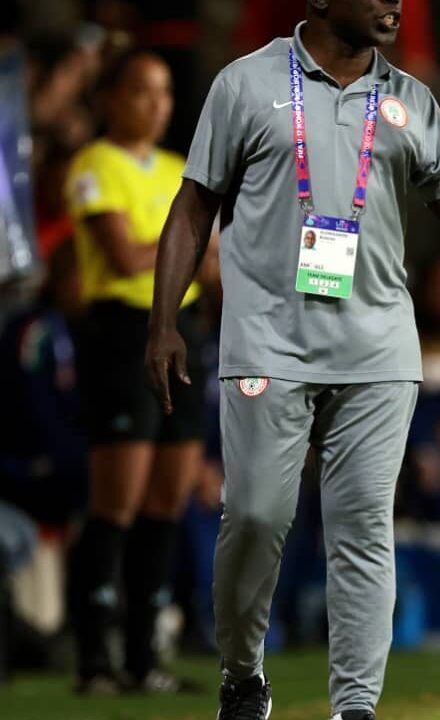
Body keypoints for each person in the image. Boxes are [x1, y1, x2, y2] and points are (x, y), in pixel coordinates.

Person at [146, 1, 440, 718]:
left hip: (378, 347)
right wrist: (164, 319)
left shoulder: (411, 98)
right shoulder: (245, 82)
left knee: (362, 530)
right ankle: (242, 672)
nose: (394, 4)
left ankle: (356, 706)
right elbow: (194, 205)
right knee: (256, 516)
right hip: (268, 340)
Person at [65, 49, 209, 694]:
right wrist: (189, 245)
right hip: (125, 335)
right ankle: (94, 657)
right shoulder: (95, 165)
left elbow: (215, 262)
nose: (156, 105)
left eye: (165, 92)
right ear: (111, 99)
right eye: (142, 91)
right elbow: (123, 257)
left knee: (167, 500)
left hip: (188, 332)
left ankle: (145, 659)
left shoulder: (183, 170)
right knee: (116, 501)